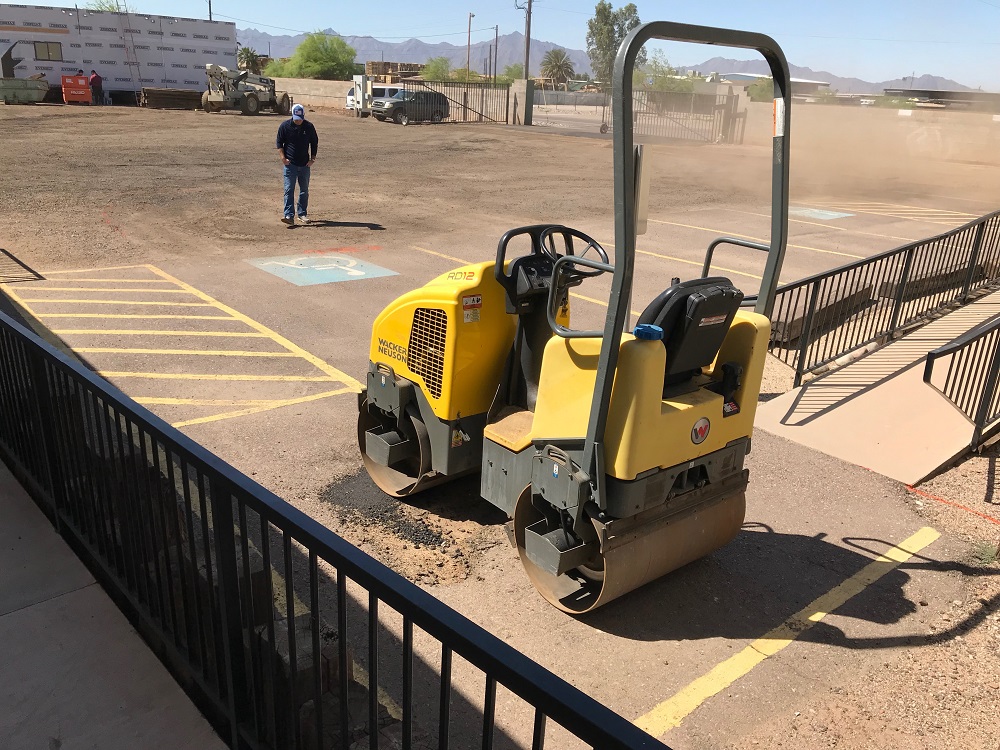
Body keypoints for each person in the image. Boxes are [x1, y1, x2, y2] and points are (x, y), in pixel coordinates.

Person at [275, 103, 318, 224]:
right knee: (289, 189)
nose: (298, 121)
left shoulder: (309, 127)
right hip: (290, 165)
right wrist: (283, 158)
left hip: (305, 165)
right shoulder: (284, 126)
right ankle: (289, 216)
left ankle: (302, 214)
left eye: (300, 119)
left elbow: (314, 143)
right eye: (296, 119)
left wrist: (312, 159)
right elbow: (279, 143)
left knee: (304, 190)